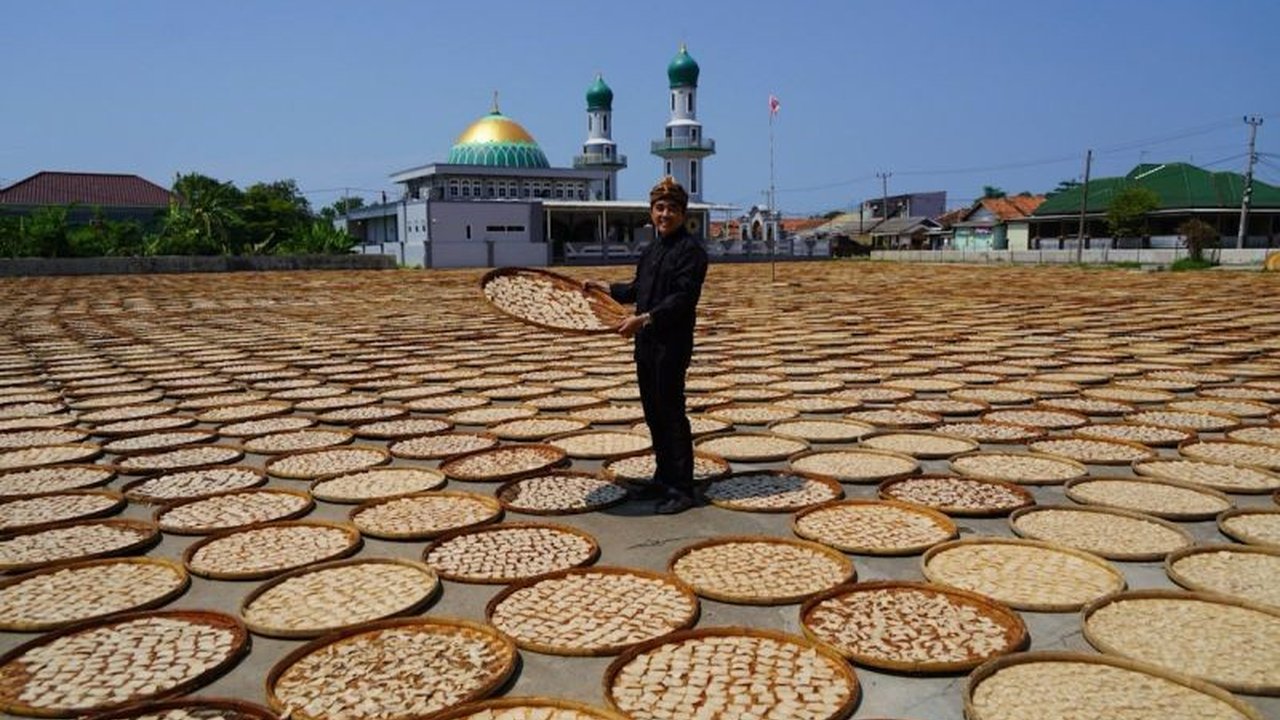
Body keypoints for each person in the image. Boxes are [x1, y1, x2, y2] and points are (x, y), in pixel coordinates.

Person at [585, 176, 708, 514]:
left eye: (671, 209)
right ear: (652, 212)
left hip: (671, 345)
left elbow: (682, 299)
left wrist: (644, 319)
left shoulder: (691, 251)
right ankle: (663, 477)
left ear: (683, 214)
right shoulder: (652, 250)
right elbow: (639, 289)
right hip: (646, 345)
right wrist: (605, 287)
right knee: (654, 414)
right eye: (659, 208)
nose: (664, 214)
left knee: (671, 413)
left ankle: (682, 488)